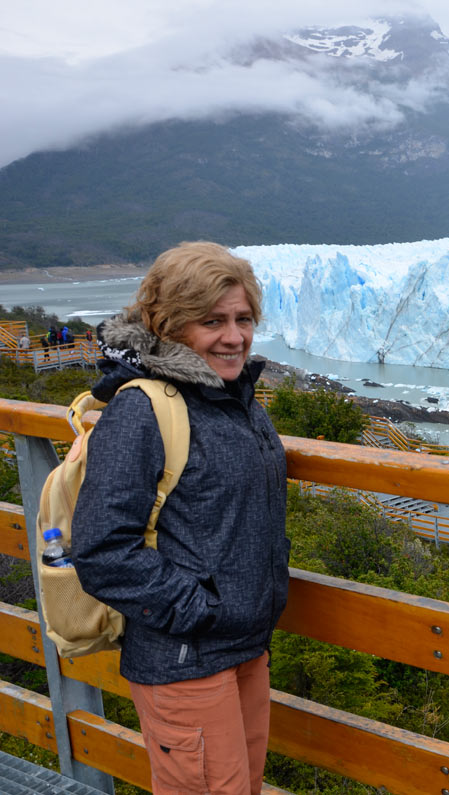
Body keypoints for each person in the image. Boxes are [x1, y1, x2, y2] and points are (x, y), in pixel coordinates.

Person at [72, 241, 289, 795]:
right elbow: (101, 550)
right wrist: (202, 610)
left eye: (243, 319)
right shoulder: (143, 409)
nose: (234, 336)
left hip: (243, 646)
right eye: (211, 321)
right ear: (169, 324)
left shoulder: (233, 399)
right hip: (187, 655)